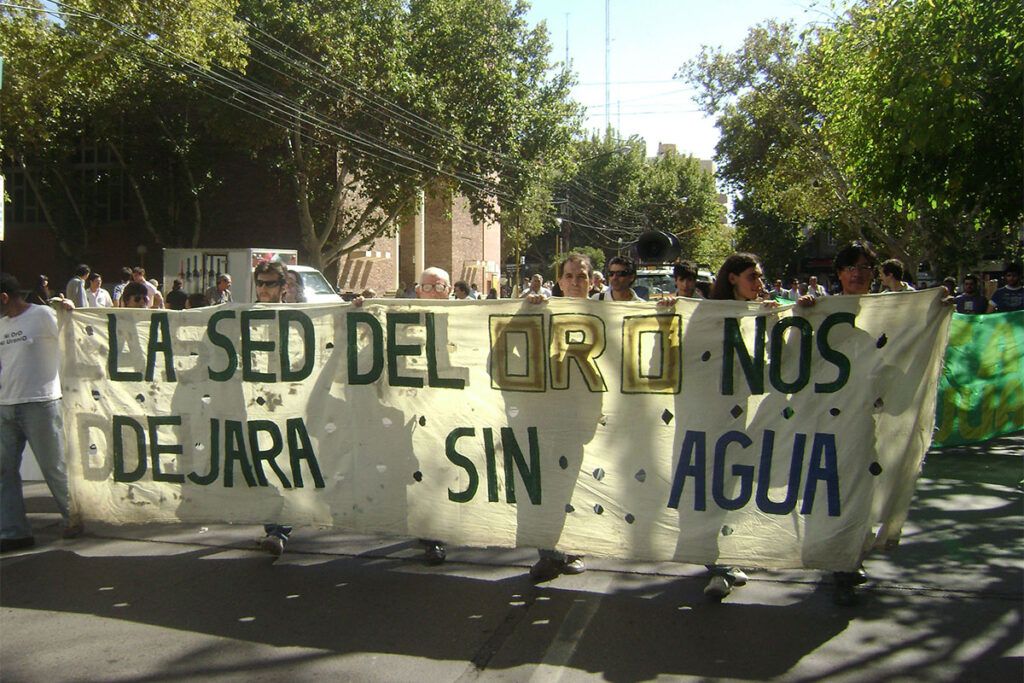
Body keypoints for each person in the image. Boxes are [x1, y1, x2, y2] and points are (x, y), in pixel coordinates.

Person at [0, 273, 82, 552]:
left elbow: (73, 330)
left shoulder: (42, 315)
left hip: (40, 403)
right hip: (5, 406)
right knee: (4, 471)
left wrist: (69, 309)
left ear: (4, 297)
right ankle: (14, 532)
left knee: (54, 466)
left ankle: (74, 516)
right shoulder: (1, 325)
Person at [524, 252, 593, 580]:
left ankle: (575, 548)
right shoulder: (544, 313)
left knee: (575, 487)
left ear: (591, 282)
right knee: (545, 486)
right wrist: (527, 309)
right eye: (569, 276)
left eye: (581, 276)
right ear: (560, 281)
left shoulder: (606, 314)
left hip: (586, 419)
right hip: (547, 416)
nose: (576, 282)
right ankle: (548, 552)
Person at [247, 261, 294, 556]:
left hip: (290, 404)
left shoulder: (303, 317)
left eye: (270, 283)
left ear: (283, 287)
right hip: (255, 403)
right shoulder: (242, 316)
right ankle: (273, 528)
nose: (264, 289)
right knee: (262, 466)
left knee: (285, 466)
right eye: (260, 283)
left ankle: (279, 530)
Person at [413, 266, 453, 564]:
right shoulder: (403, 318)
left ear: (449, 290)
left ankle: (443, 531)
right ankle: (431, 536)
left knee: (446, 471)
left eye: (440, 287)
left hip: (453, 411)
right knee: (422, 472)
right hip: (415, 412)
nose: (433, 293)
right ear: (418, 290)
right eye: (428, 287)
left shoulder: (468, 318)